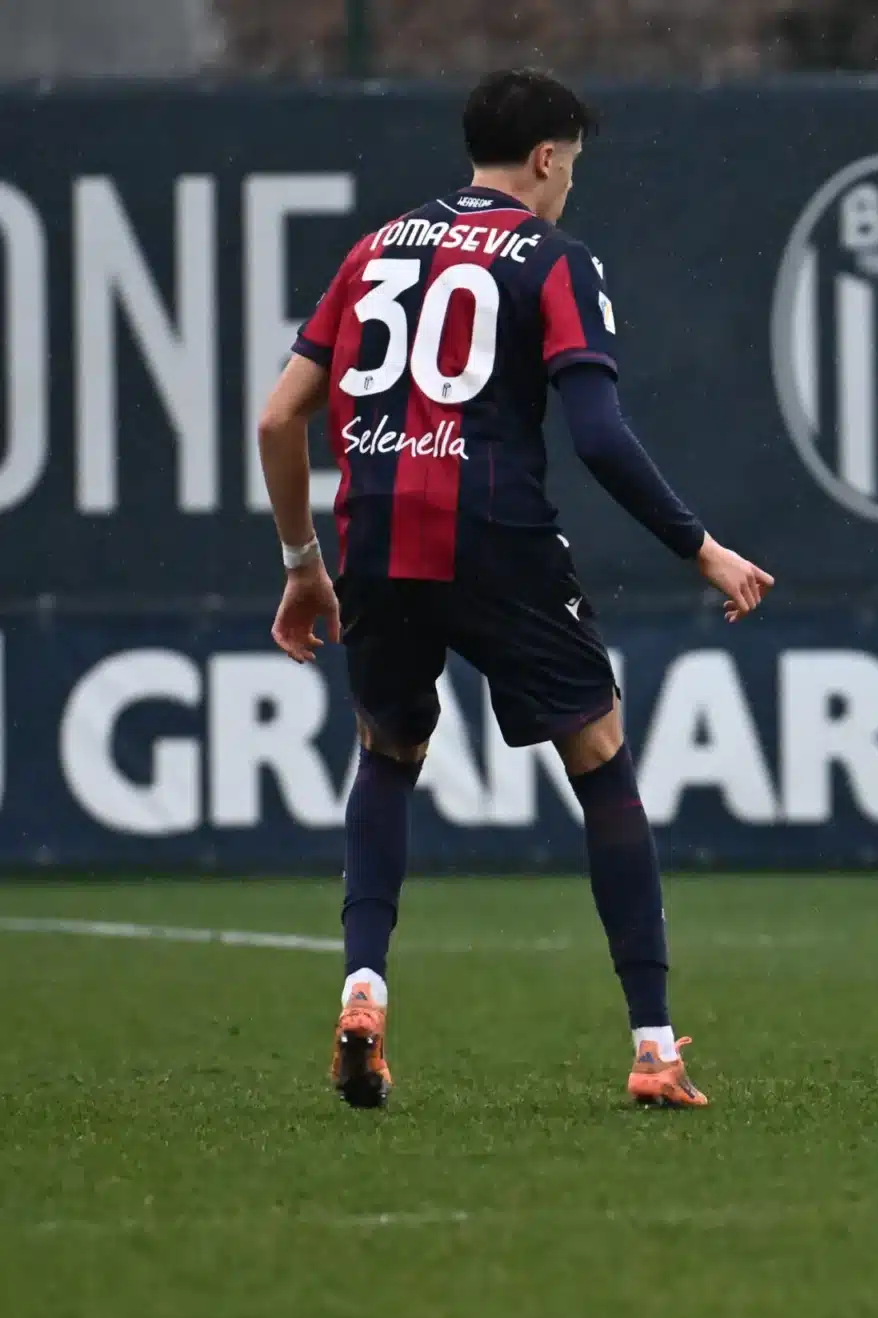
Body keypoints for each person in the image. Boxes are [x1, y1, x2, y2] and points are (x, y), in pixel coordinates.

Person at [255, 68, 773, 1109]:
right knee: (602, 763)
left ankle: (364, 988)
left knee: (388, 755)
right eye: (571, 164)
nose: (570, 183)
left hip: (375, 538)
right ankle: (654, 1046)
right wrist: (700, 546)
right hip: (494, 537)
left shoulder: (373, 251)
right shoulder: (553, 259)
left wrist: (304, 566)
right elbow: (597, 434)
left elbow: (278, 421)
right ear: (547, 157)